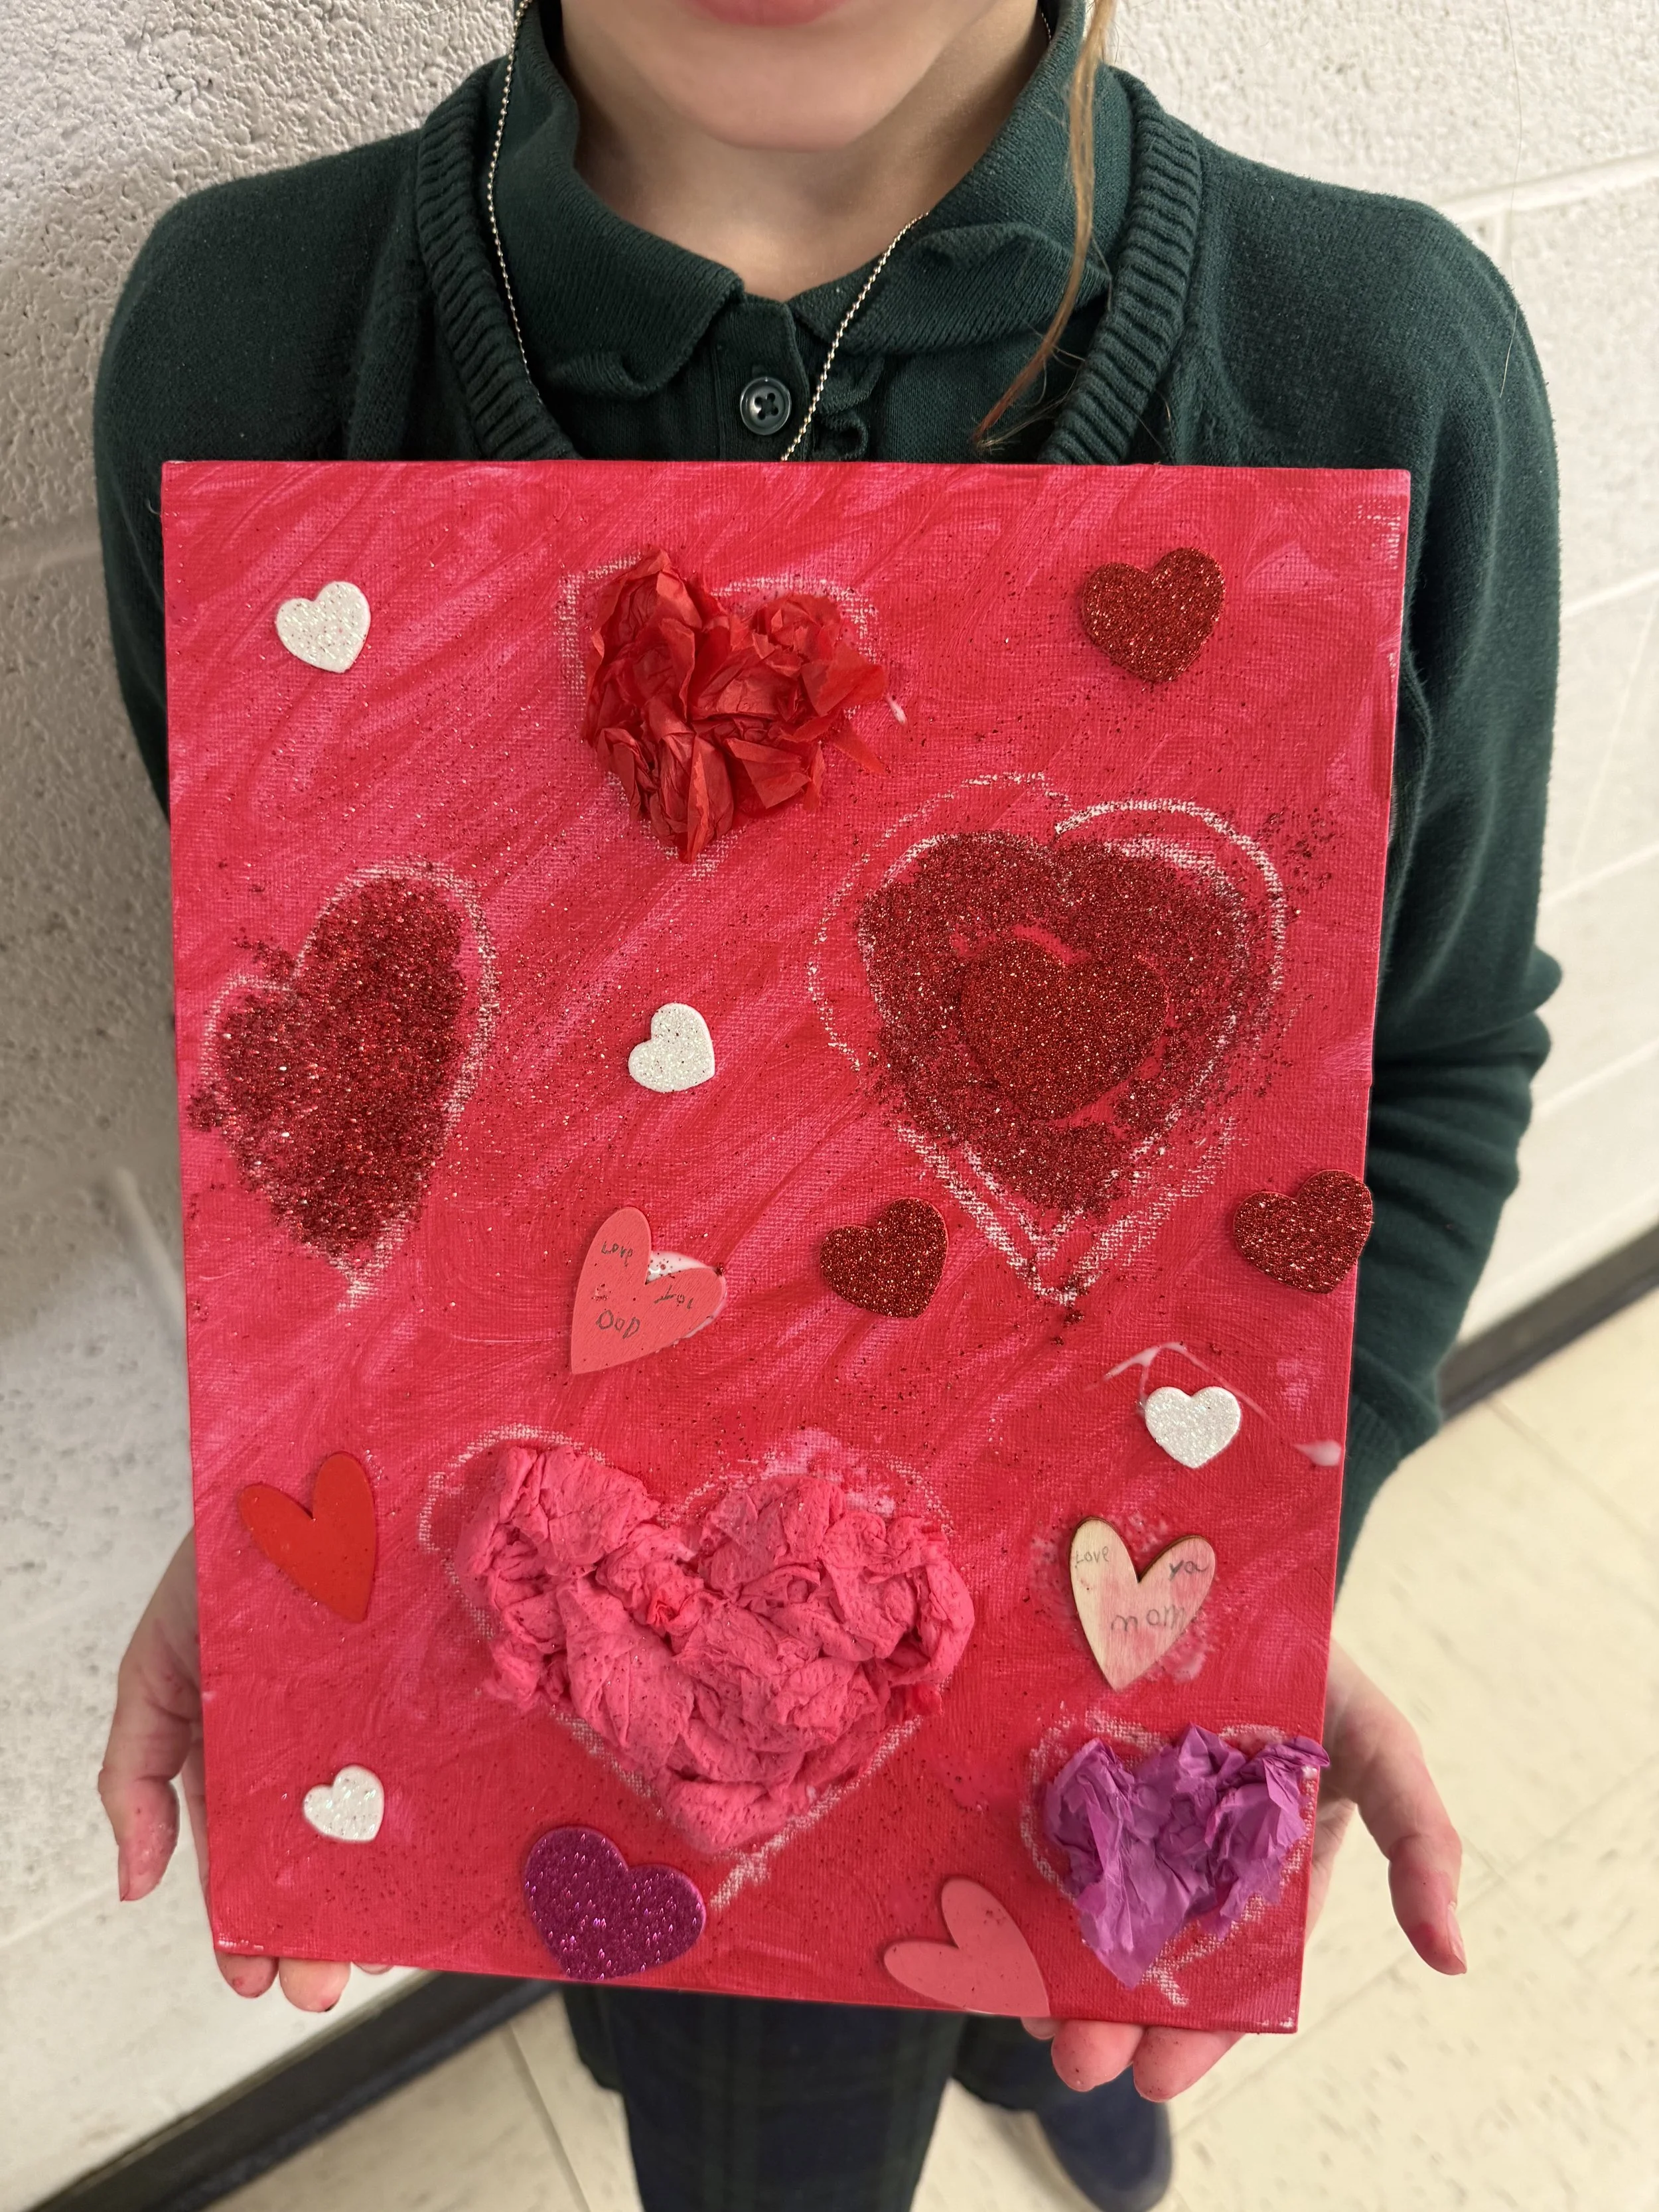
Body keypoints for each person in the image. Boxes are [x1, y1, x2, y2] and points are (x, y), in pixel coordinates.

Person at [93, 3, 1557, 2207]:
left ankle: (1050, 2048)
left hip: (1096, 1659)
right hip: (628, 1688)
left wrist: (1242, 1567)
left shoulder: (1384, 363)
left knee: (1085, 1978)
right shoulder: (248, 344)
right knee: (760, 2121)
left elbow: (1432, 1053)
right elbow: (321, 1086)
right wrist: (323, 1498)